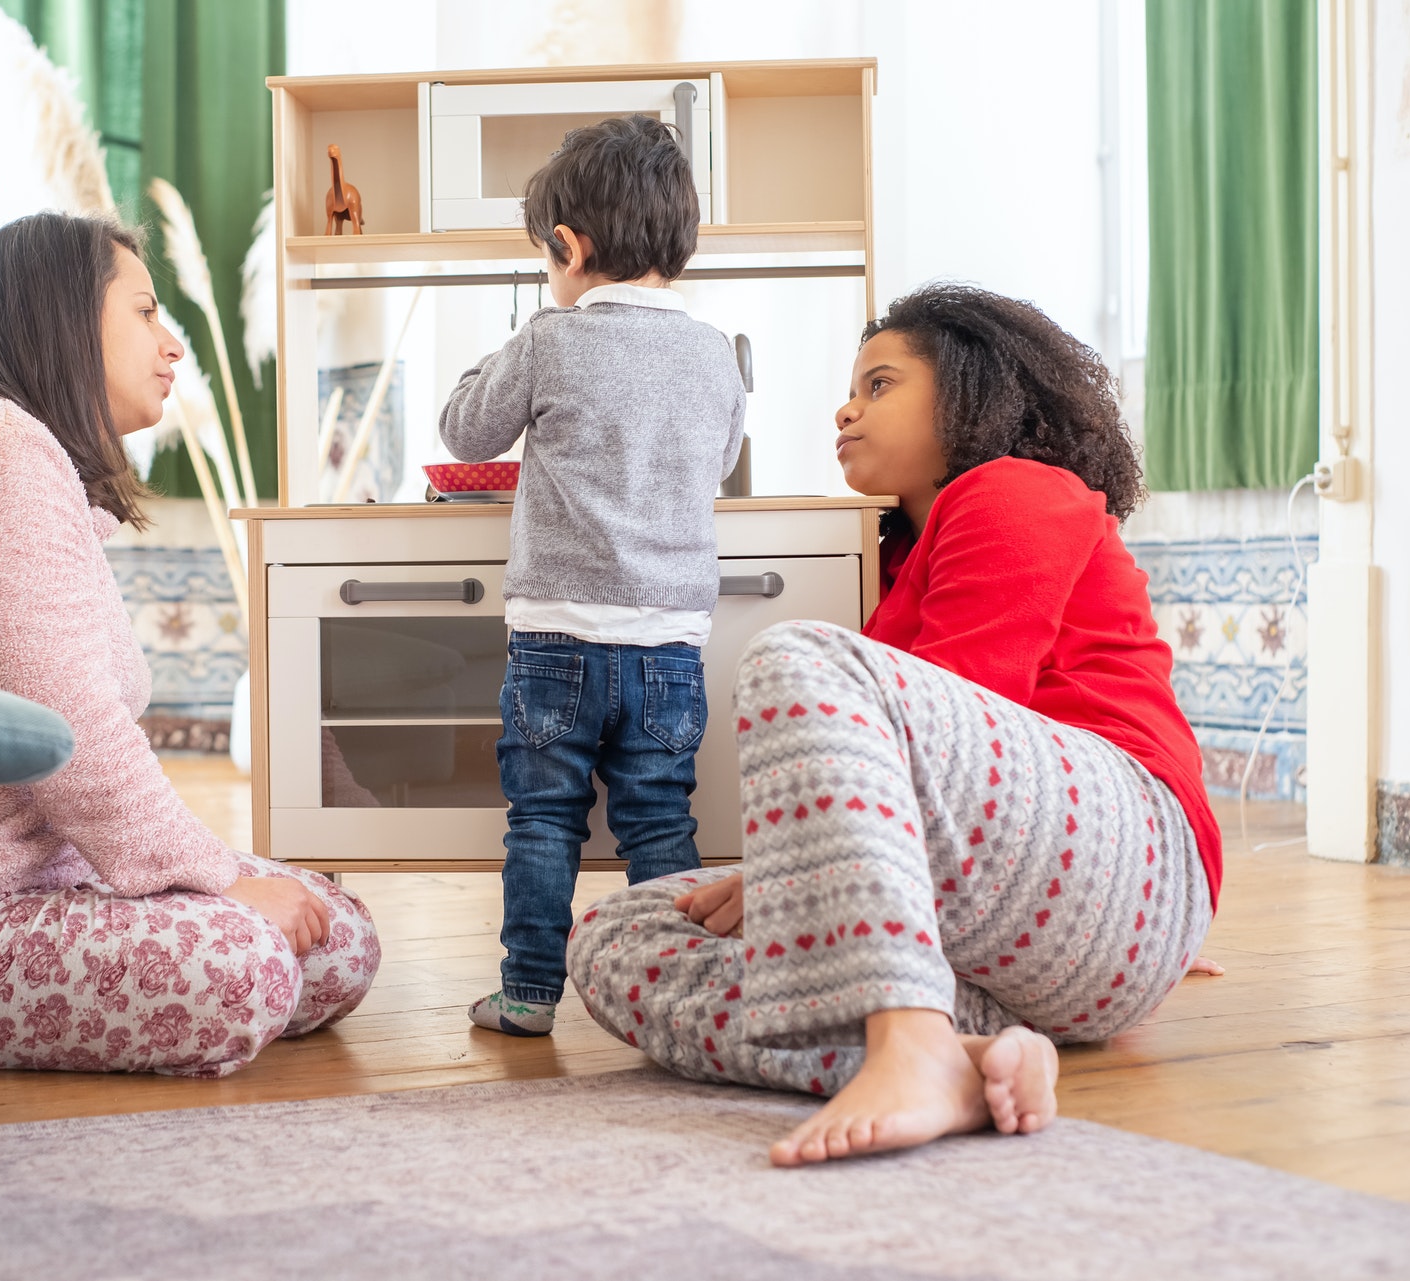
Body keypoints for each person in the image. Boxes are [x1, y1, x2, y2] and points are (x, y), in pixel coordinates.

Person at [568, 283, 1224, 1163]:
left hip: (1129, 854)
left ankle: (911, 1042)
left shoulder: (1016, 491)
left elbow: (960, 712)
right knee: (618, 932)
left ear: (970, 392)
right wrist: (796, 878)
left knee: (795, 653)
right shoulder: (898, 557)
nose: (846, 407)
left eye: (880, 385)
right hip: (1017, 946)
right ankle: (957, 1051)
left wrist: (785, 875)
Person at [0, 212, 379, 1077]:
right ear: (68, 319)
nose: (173, 346)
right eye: (147, 313)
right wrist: (222, 883)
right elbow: (67, 721)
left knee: (338, 937)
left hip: (31, 883)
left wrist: (220, 878)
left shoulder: (14, 449)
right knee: (254, 964)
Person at [440, 114, 747, 1036]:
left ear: (569, 246)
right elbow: (724, 456)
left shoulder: (548, 338)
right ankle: (669, 997)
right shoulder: (716, 353)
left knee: (543, 822)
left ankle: (530, 993)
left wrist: (494, 359)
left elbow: (465, 432)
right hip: (667, 648)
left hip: (556, 641)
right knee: (660, 823)